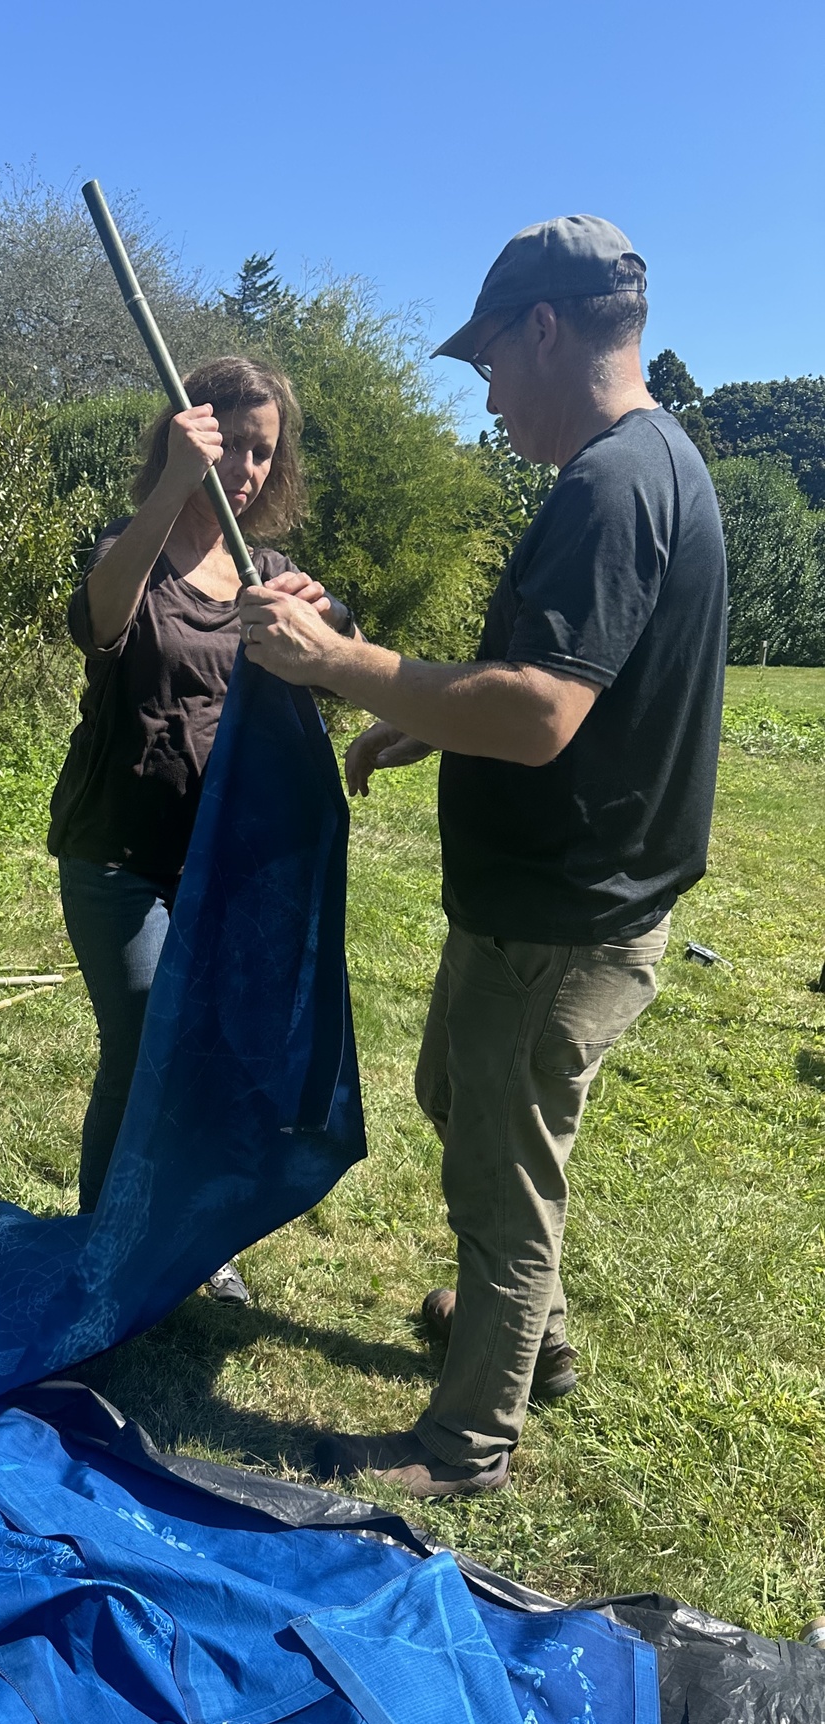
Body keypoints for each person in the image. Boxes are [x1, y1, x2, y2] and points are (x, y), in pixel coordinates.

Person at [238, 216, 728, 1497]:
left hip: (566, 913)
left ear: (545, 327)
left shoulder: (614, 484)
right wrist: (416, 719)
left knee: (501, 1186)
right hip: (554, 892)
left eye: (489, 360)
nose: (489, 390)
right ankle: (538, 1342)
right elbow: (566, 686)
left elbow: (539, 711)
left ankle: (465, 1446)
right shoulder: (647, 463)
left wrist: (338, 666)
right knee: (458, 1091)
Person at [49, 356, 352, 1303]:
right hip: (120, 851)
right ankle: (106, 1244)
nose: (252, 471)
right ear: (192, 437)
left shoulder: (266, 576)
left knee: (212, 1053)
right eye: (236, 447)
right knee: (143, 1046)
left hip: (222, 863)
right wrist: (173, 488)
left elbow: (330, 654)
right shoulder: (127, 545)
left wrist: (326, 619)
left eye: (267, 454)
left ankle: (193, 1239)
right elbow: (101, 622)